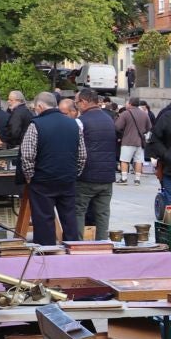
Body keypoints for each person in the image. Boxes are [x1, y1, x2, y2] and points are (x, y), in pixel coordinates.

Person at [18, 91, 84, 246]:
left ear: (40, 106)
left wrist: (29, 176)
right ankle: (73, 249)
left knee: (43, 219)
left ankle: (47, 252)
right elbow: (82, 155)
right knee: (69, 218)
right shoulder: (73, 124)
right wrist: (75, 173)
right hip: (67, 178)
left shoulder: (36, 125)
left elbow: (27, 155)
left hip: (42, 179)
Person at [72, 88, 118, 240]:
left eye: (77, 102)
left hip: (86, 175)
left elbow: (76, 148)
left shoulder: (81, 122)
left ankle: (77, 244)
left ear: (84, 102)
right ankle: (102, 243)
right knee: (103, 213)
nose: (76, 106)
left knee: (78, 211)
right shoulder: (109, 119)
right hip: (107, 175)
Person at [114, 96, 151, 184]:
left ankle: (124, 178)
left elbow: (118, 126)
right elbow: (149, 127)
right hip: (140, 141)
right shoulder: (144, 114)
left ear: (130, 103)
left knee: (124, 160)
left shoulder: (126, 113)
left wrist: (123, 132)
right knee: (138, 160)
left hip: (127, 140)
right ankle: (137, 179)